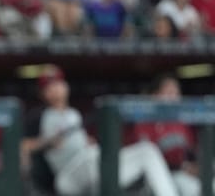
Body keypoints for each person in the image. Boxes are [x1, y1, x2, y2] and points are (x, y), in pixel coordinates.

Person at [22, 65, 180, 196]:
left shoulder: (74, 114)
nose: (56, 88)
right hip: (66, 177)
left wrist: (85, 141)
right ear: (42, 93)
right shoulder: (38, 115)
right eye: (49, 86)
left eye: (58, 83)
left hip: (89, 166)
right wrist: (47, 141)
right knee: (93, 156)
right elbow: (21, 145)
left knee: (147, 151)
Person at [127, 74, 214, 196]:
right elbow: (147, 162)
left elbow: (193, 151)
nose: (174, 97)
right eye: (168, 93)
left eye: (176, 93)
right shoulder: (143, 122)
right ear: (155, 96)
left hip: (184, 172)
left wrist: (196, 166)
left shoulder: (182, 122)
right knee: (192, 188)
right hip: (159, 176)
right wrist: (184, 167)